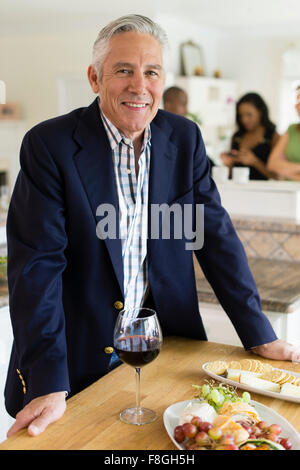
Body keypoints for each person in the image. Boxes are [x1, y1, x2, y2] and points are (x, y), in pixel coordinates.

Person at [5, 14, 300, 439]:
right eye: (123, 70)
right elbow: (37, 267)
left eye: (151, 72)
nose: (138, 85)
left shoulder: (185, 139)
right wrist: (49, 379)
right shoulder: (49, 145)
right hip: (72, 357)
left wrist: (258, 333)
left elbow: (213, 236)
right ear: (94, 77)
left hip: (159, 347)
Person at [220, 92, 280, 180]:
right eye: (241, 115)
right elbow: (231, 176)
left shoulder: (273, 137)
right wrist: (228, 164)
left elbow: (277, 176)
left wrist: (255, 162)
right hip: (238, 190)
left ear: (261, 112)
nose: (244, 120)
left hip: (265, 191)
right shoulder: (237, 136)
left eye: (249, 114)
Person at [267, 86, 300, 180]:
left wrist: (287, 171)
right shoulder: (292, 129)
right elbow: (272, 164)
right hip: (289, 191)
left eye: (299, 101)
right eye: (296, 101)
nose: (295, 106)